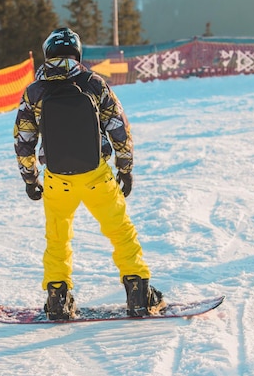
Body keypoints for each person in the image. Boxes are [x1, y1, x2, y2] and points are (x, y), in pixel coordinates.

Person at [13, 27, 165, 320]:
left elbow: (24, 140)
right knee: (120, 231)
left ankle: (57, 298)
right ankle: (138, 293)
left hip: (57, 179)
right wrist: (125, 168)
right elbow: (119, 128)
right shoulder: (94, 83)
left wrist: (30, 179)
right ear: (77, 54)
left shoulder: (34, 92)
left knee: (57, 237)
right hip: (97, 175)